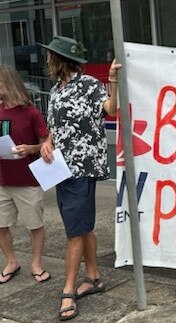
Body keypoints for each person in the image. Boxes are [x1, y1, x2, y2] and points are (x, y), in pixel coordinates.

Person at [38, 35, 121, 321]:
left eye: (50, 55)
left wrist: (113, 80)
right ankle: (95, 277)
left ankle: (69, 290)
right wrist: (47, 142)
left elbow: (110, 109)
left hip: (82, 167)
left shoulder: (88, 85)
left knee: (74, 230)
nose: (47, 59)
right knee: (82, 226)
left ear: (59, 59)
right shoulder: (57, 90)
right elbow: (54, 128)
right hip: (60, 167)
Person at [0, 65, 50, 285]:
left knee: (34, 225)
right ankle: (11, 262)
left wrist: (30, 149)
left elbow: (46, 142)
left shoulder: (31, 113)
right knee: (1, 225)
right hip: (2, 179)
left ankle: (36, 264)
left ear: (8, 83)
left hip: (28, 180)